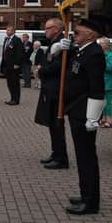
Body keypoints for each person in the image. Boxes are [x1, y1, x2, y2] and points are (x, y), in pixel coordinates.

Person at [59, 18, 106, 215]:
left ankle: (91, 202)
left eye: (77, 33)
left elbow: (97, 88)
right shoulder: (82, 51)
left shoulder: (94, 54)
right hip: (76, 110)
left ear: (91, 34)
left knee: (87, 157)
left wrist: (93, 118)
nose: (74, 35)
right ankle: (85, 193)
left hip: (85, 112)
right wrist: (60, 49)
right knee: (81, 156)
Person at [34, 17, 69, 170]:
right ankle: (56, 153)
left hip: (56, 91)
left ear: (56, 29)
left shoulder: (61, 44)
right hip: (50, 89)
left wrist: (41, 70)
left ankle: (61, 157)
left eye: (47, 28)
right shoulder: (54, 43)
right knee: (52, 125)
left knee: (57, 125)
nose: (45, 31)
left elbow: (56, 67)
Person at [0, 25, 24, 105]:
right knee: (9, 83)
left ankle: (16, 100)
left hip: (14, 66)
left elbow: (19, 53)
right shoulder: (7, 39)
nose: (7, 31)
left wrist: (17, 64)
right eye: (7, 30)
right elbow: (5, 52)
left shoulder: (17, 40)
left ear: (13, 31)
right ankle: (12, 98)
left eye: (9, 30)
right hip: (7, 66)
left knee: (15, 83)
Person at [98, 37, 112, 128]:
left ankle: (109, 120)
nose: (99, 45)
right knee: (102, 102)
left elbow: (111, 67)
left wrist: (102, 63)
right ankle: (103, 119)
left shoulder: (111, 55)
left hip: (108, 83)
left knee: (108, 103)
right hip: (100, 82)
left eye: (101, 43)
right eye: (99, 43)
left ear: (106, 45)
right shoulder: (99, 54)